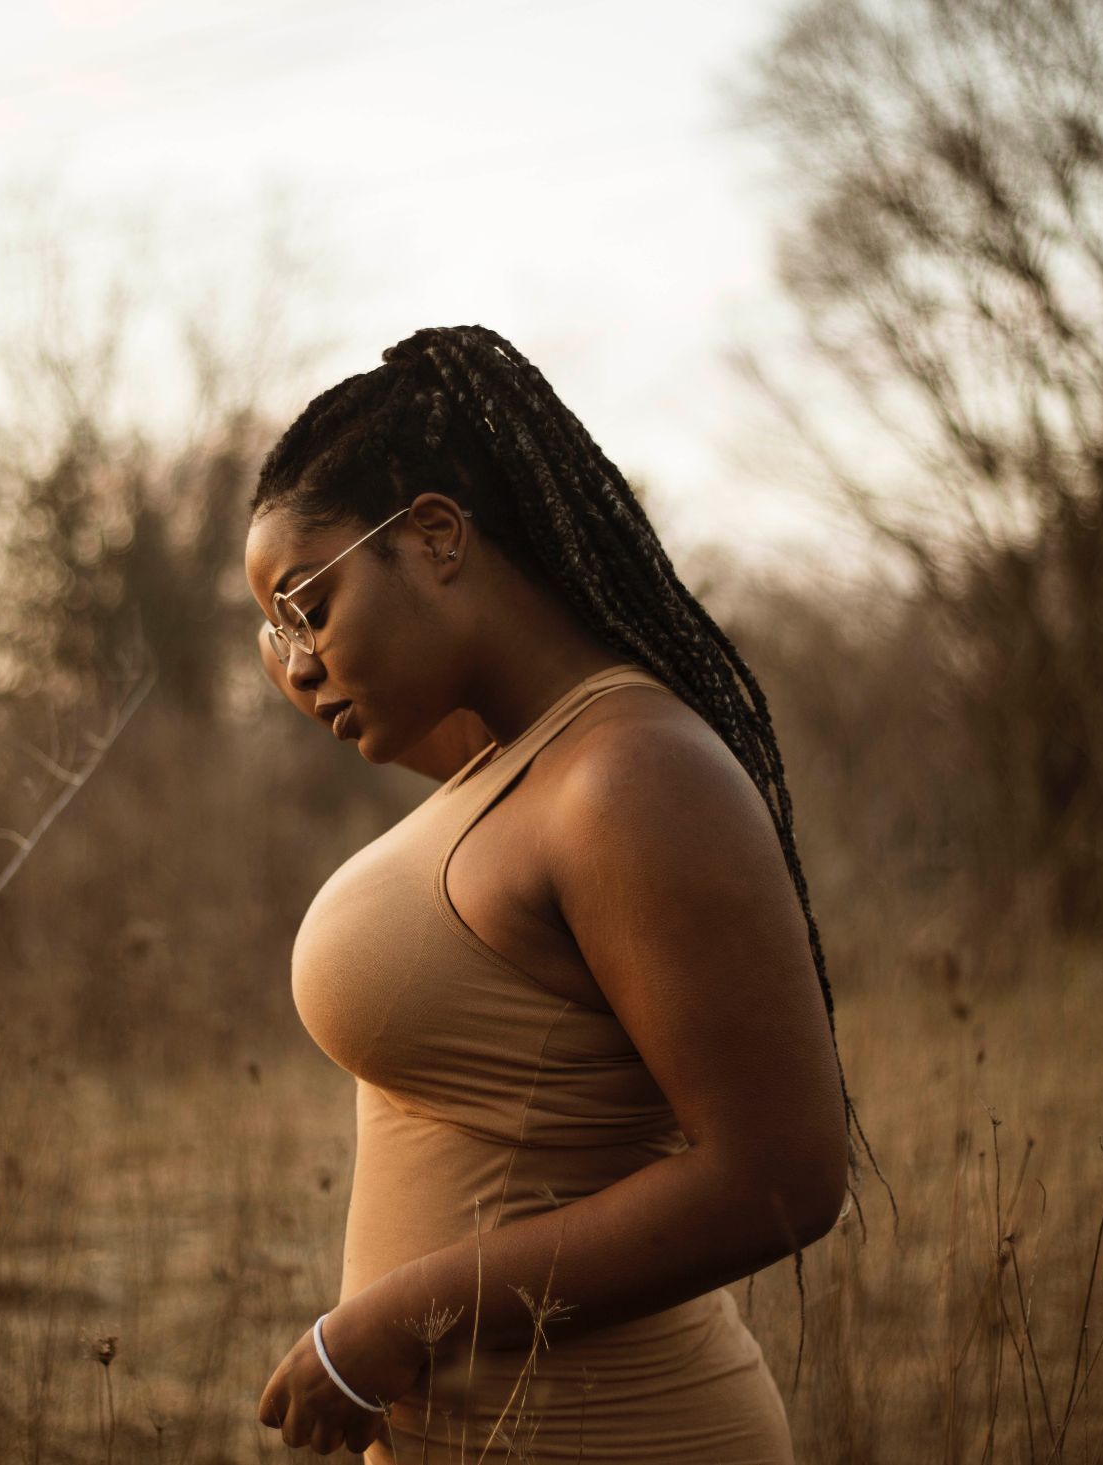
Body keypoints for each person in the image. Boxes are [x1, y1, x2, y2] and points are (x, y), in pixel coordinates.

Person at [244, 325, 880, 1463]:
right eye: (273, 629)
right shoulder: (509, 762)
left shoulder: (632, 775)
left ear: (435, 535)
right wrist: (300, 632)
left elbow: (779, 1177)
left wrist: (389, 1326)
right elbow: (362, 709)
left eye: (308, 607)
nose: (293, 662)